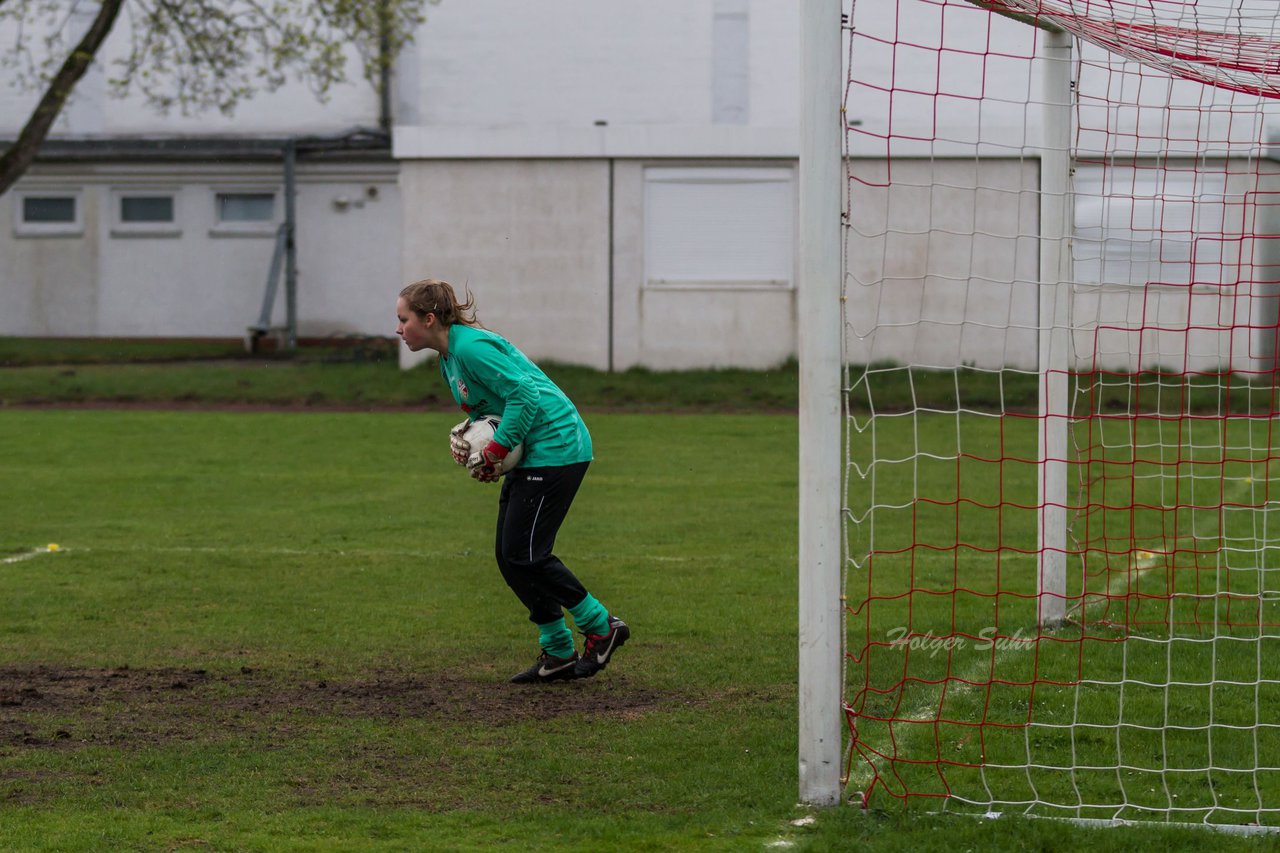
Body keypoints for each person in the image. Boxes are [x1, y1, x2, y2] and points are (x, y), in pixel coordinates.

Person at [394, 278, 630, 684]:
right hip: (535, 450)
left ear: (429, 319)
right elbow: (495, 407)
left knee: (529, 554)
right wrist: (475, 443)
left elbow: (526, 395)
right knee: (510, 556)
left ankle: (602, 626)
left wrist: (498, 449)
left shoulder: (470, 348)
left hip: (558, 446)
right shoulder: (449, 357)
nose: (398, 329)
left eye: (403, 319)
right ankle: (558, 651)